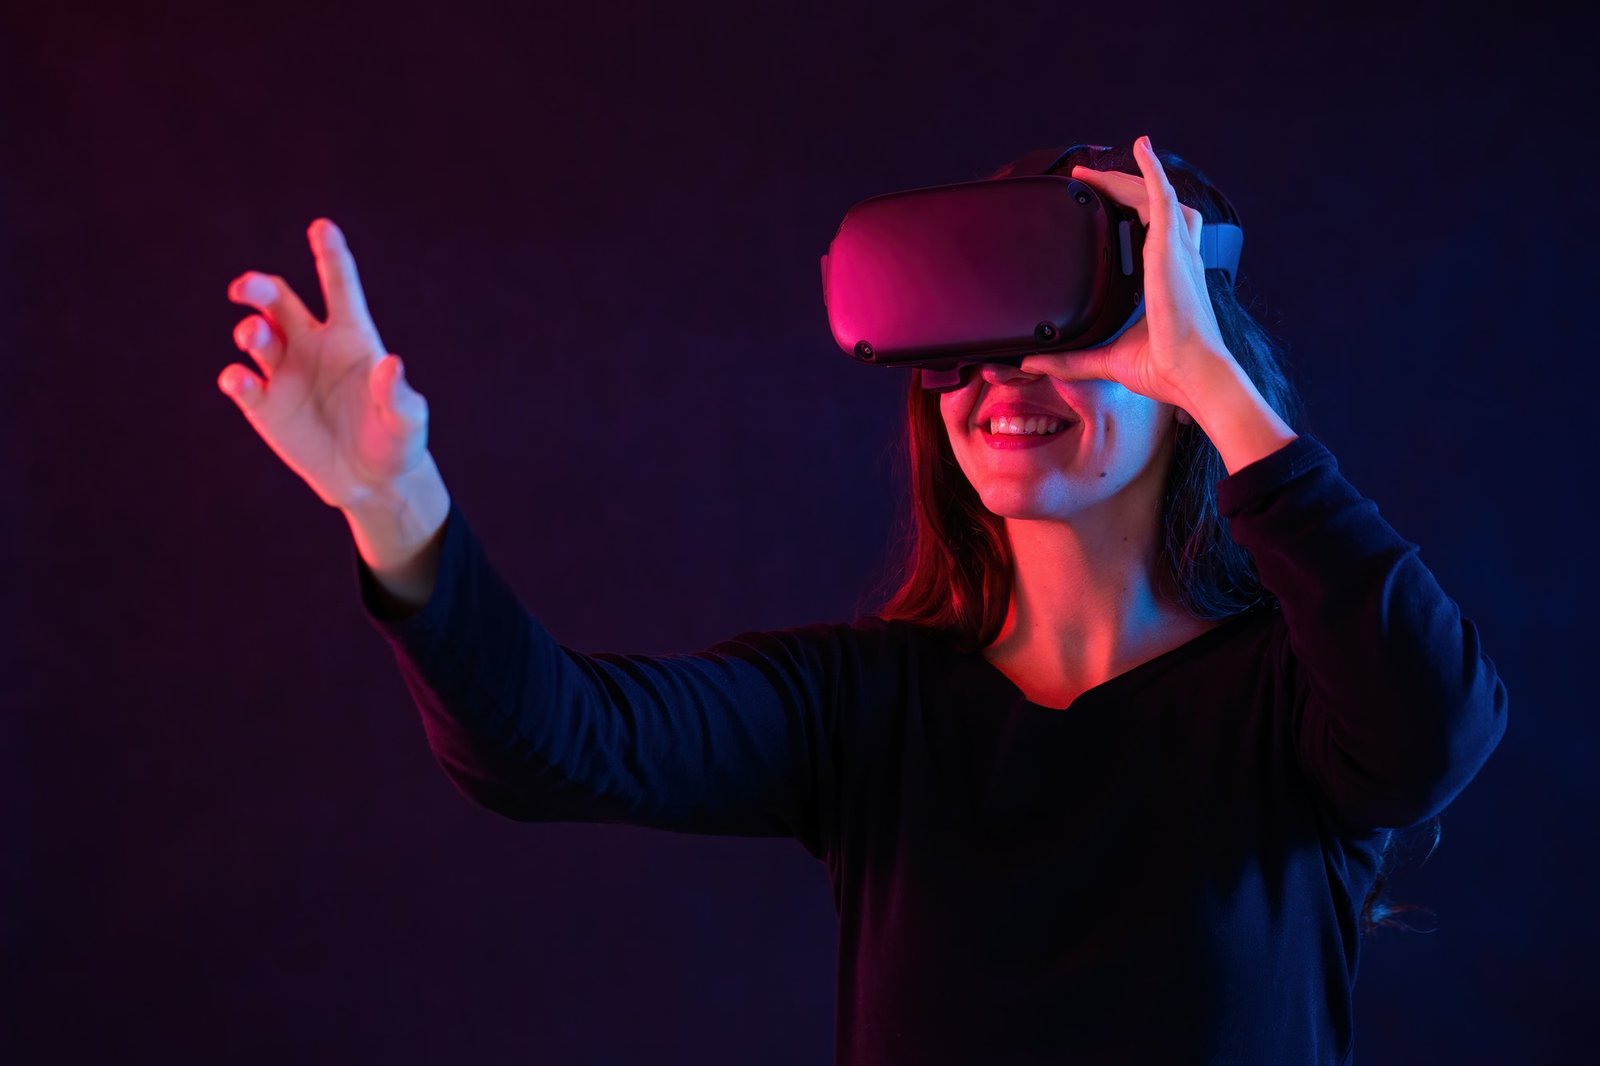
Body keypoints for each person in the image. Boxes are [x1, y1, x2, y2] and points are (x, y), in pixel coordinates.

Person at [217, 135, 1508, 1064]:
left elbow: (1435, 729)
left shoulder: (1297, 700)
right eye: (963, 340)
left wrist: (1220, 389)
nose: (1004, 377)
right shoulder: (864, 707)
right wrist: (392, 499)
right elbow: (547, 739)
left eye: (1066, 325)